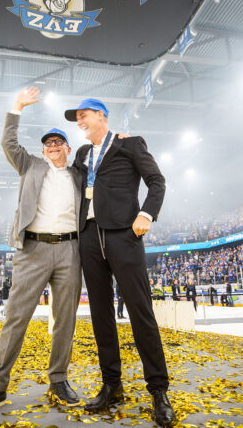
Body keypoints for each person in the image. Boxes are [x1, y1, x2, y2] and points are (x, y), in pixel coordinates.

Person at [0, 87, 84, 419]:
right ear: (42, 150)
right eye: (48, 143)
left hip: (71, 250)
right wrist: (17, 107)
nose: (53, 146)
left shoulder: (79, 174)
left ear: (68, 149)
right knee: (16, 317)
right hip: (32, 249)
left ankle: (59, 379)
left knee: (65, 321)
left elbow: (104, 162)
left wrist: (121, 141)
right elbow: (8, 143)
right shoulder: (30, 165)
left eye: (59, 142)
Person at [66, 98, 175, 427]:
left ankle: (158, 390)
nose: (79, 122)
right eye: (76, 118)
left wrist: (146, 214)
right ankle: (112, 384)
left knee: (141, 311)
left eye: (83, 115)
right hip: (89, 236)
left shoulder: (130, 144)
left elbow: (157, 181)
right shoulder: (82, 154)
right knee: (100, 315)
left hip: (123, 235)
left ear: (101, 115)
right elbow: (70, 181)